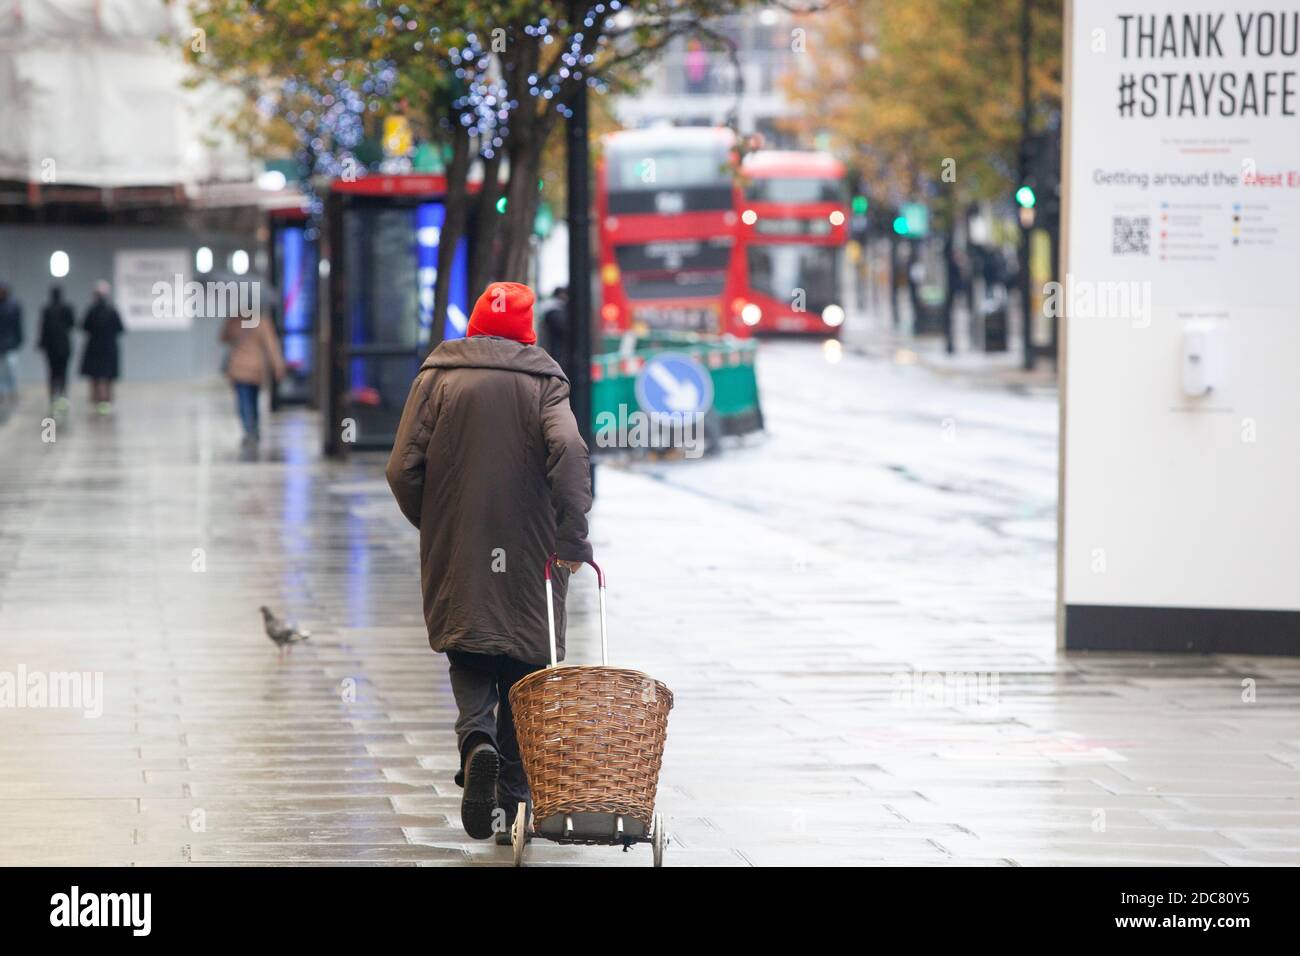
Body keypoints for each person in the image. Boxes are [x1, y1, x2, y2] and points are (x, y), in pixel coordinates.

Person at [385, 280, 593, 842]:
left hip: (462, 547)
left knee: (470, 648)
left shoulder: (439, 375)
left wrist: (435, 524)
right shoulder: (545, 383)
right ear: (528, 331)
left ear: (476, 323)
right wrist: (573, 539)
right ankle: (511, 803)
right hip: (532, 553)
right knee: (526, 667)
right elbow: (570, 452)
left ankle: (476, 741)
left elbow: (402, 467)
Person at [220, 313, 286, 444]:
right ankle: (253, 428)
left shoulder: (235, 321)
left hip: (239, 368)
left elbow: (223, 338)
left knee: (244, 401)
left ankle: (249, 429)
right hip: (257, 369)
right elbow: (271, 346)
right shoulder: (262, 322)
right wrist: (278, 365)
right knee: (253, 401)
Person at [79, 281, 125, 415]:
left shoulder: (92, 311)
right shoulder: (112, 311)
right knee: (107, 376)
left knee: (96, 376)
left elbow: (84, 327)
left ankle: (98, 400)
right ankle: (106, 400)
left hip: (95, 348)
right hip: (109, 347)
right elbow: (120, 328)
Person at [38, 287, 75, 411]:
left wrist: (41, 344)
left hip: (51, 347)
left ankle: (53, 398)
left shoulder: (47, 309)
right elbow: (72, 325)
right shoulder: (67, 308)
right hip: (64, 346)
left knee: (52, 373)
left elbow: (43, 328)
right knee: (63, 372)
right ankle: (62, 397)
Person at [0, 283, 23, 407]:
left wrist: (18, 340)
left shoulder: (13, 306)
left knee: (11, 368)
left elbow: (18, 325)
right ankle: (2, 393)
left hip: (10, 344)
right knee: (1, 371)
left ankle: (13, 392)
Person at [538, 285, 569, 363]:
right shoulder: (556, 311)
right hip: (555, 352)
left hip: (550, 351)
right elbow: (563, 328)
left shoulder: (549, 309)